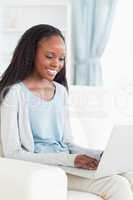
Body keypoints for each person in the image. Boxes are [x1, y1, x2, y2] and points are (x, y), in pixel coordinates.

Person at [0, 24, 133, 200]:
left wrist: (99, 154)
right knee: (116, 184)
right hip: (44, 168)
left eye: (61, 58)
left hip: (66, 164)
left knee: (129, 173)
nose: (56, 63)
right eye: (49, 56)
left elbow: (67, 143)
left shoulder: (60, 91)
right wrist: (71, 160)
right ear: (31, 54)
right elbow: (12, 153)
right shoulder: (14, 93)